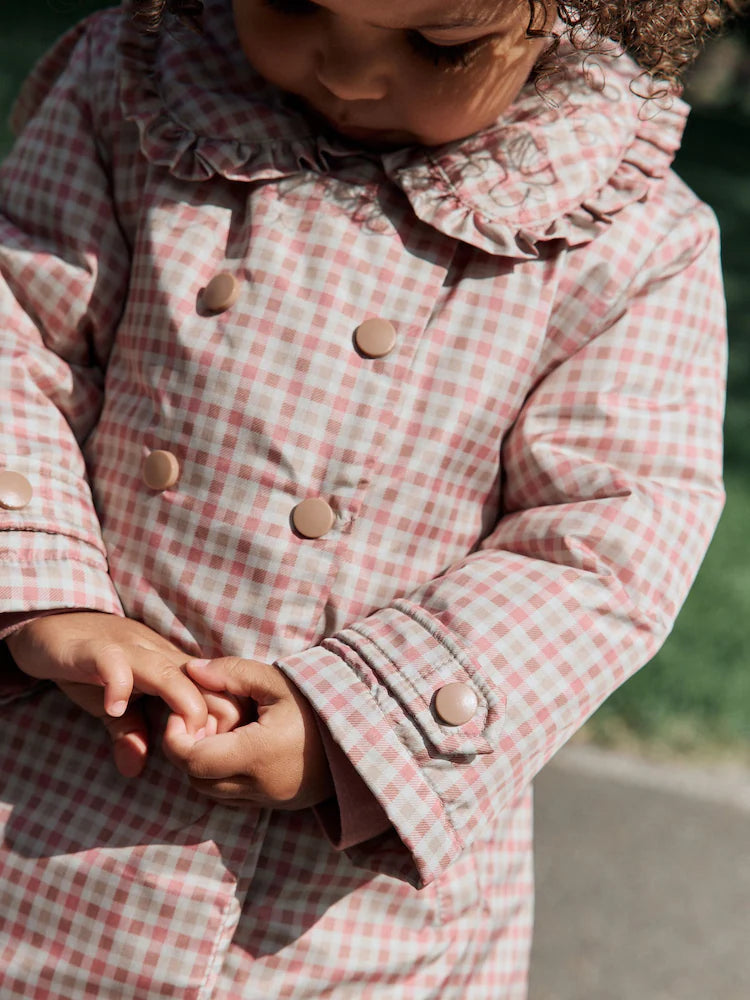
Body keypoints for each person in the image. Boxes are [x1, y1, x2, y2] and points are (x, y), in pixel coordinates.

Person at [0, 0, 732, 995]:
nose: (348, 75)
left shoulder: (627, 233)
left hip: (349, 916)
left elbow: (605, 544)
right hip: (55, 821)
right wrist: (46, 587)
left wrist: (359, 720)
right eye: (293, 4)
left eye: (442, 47)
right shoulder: (140, 94)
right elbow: (17, 337)